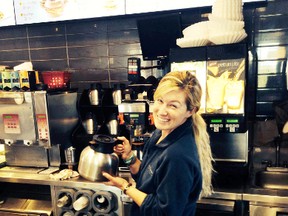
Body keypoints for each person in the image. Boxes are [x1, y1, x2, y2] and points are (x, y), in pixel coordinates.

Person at [103, 71, 214, 216]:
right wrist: (129, 157)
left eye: (173, 106)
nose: (161, 111)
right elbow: (147, 177)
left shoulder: (177, 155)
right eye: (160, 101)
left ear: (190, 111)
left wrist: (126, 187)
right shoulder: (160, 134)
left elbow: (163, 212)